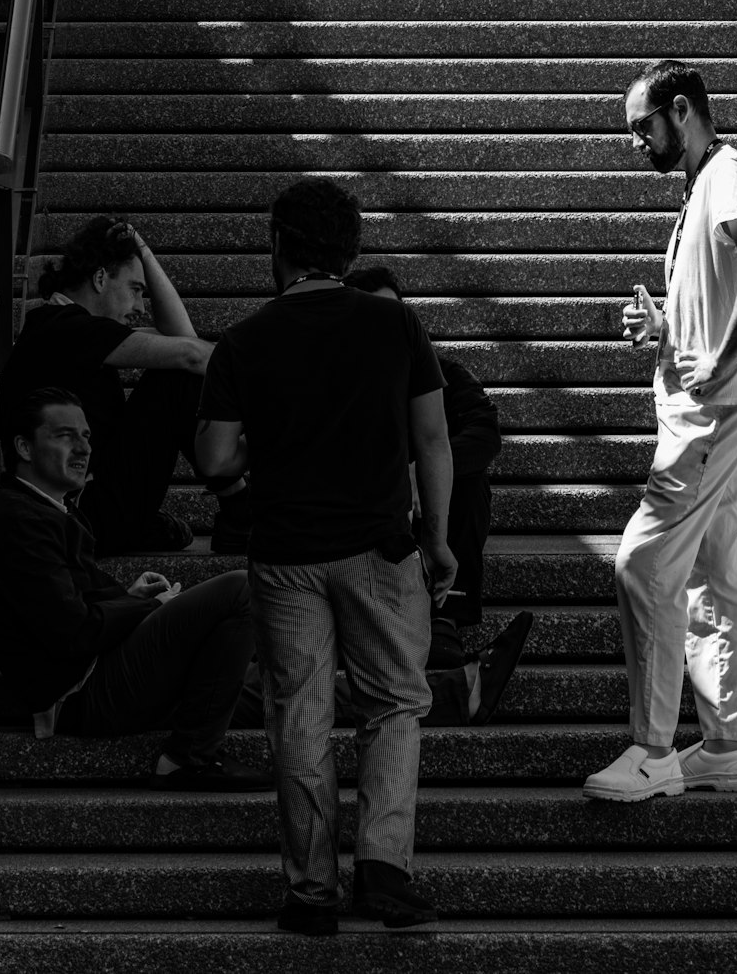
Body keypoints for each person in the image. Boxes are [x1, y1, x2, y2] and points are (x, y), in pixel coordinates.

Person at [197, 180, 528, 937]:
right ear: (349, 249)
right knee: (394, 706)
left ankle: (311, 890)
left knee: (300, 718)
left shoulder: (246, 340)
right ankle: (384, 867)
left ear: (279, 245)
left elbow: (216, 457)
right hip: (379, 549)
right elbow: (435, 441)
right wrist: (439, 538)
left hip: (284, 557)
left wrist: (260, 441)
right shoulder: (394, 327)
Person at [583, 59, 737, 804]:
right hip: (707, 401)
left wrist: (723, 361)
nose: (637, 142)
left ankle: (651, 751)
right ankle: (726, 749)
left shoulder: (728, 170)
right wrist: (667, 328)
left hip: (708, 412)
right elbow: (728, 288)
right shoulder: (701, 187)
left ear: (681, 109)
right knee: (712, 572)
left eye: (644, 126)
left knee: (642, 563)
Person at [0, 387, 271, 791]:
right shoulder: (17, 522)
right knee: (239, 589)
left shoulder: (50, 510)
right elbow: (73, 631)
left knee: (290, 686)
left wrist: (133, 597)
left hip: (106, 675)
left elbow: (74, 606)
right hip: (81, 693)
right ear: (23, 446)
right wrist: (148, 606)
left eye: (86, 436)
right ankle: (188, 756)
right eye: (64, 435)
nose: (82, 448)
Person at [0, 215, 251, 556]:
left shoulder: (63, 328)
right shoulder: (64, 330)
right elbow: (191, 354)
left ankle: (156, 523)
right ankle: (240, 508)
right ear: (101, 277)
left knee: (180, 370)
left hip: (83, 505)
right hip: (76, 515)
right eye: (135, 290)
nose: (140, 308)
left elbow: (181, 337)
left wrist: (141, 251)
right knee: (174, 378)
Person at [343, 265, 503, 669]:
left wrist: (423, 470)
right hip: (365, 518)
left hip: (430, 514)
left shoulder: (443, 372)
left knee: (465, 477)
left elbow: (485, 435)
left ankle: (445, 612)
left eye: (394, 315)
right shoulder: (340, 383)